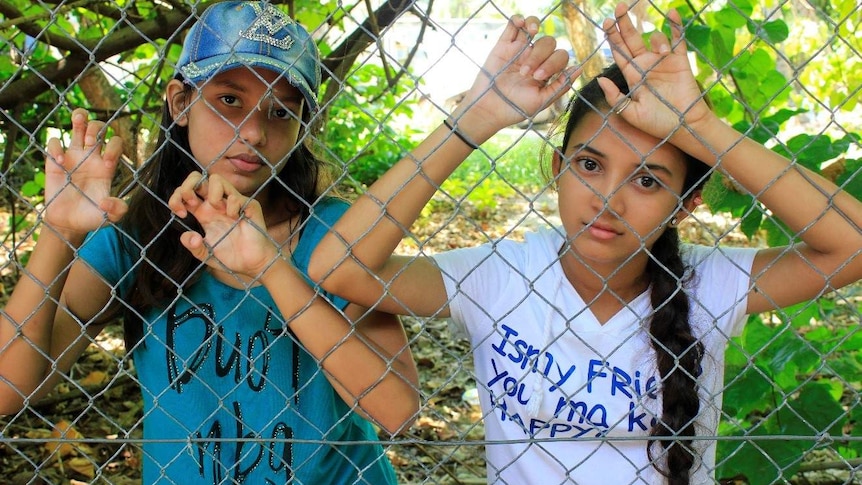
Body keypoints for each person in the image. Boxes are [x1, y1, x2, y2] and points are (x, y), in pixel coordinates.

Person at [308, 3, 862, 484]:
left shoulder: (706, 284)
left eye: (647, 180)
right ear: (558, 168)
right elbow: (338, 268)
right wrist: (474, 120)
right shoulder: (504, 276)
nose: (608, 200)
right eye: (590, 165)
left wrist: (700, 126)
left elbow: (853, 244)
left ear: (685, 204)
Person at [0, 2, 419, 484]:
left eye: (281, 111)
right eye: (230, 100)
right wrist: (60, 232)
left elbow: (397, 411)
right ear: (181, 102)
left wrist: (272, 270)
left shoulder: (337, 234)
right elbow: (9, 389)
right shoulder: (135, 238)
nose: (256, 132)